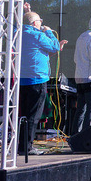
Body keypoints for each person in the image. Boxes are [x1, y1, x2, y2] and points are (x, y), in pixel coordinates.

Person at [19, 10, 67, 155]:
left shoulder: (19, 33)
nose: (42, 23)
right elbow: (54, 47)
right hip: (37, 79)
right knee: (34, 115)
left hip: (23, 80)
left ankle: (22, 145)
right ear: (35, 23)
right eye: (40, 21)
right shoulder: (38, 34)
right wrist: (49, 33)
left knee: (24, 114)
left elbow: (43, 51)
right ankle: (26, 147)